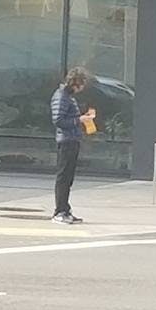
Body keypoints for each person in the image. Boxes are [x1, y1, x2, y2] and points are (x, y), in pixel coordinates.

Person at [50, 67, 95, 224]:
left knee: (68, 178)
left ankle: (65, 209)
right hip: (66, 140)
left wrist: (81, 118)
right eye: (80, 85)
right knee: (63, 177)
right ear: (74, 83)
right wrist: (79, 120)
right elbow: (58, 120)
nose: (81, 89)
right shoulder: (62, 96)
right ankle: (59, 211)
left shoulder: (68, 97)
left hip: (72, 139)